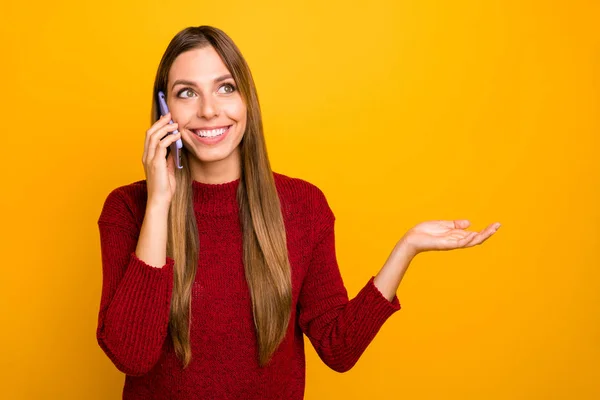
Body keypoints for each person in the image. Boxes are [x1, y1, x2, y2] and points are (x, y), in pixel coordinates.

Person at [96, 25, 501, 399]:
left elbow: (338, 347)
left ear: (247, 100)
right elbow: (131, 356)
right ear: (165, 109)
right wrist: (160, 201)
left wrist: (406, 248)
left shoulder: (303, 206)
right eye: (187, 92)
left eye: (225, 88)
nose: (207, 110)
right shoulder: (128, 209)